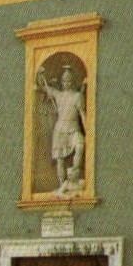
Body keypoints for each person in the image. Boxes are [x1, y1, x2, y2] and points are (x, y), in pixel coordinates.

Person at [36, 64, 86, 193]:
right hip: (60, 130)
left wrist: (88, 130)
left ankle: (74, 174)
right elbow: (43, 86)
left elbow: (83, 115)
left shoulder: (77, 96)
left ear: (72, 81)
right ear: (62, 82)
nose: (66, 83)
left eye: (69, 80)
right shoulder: (58, 95)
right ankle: (62, 186)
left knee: (80, 145)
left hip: (73, 127)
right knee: (60, 160)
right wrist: (40, 75)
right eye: (64, 81)